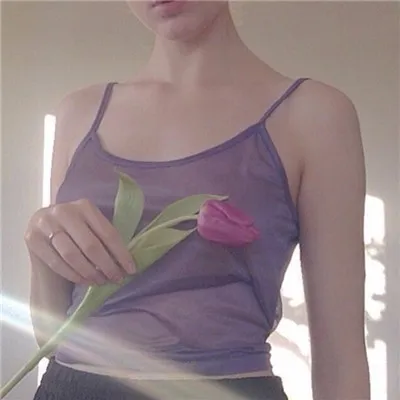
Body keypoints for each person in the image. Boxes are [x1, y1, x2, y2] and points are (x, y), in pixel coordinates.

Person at [26, 1, 370, 399]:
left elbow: (341, 362)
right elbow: (52, 340)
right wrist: (40, 247)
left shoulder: (313, 115)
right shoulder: (79, 114)